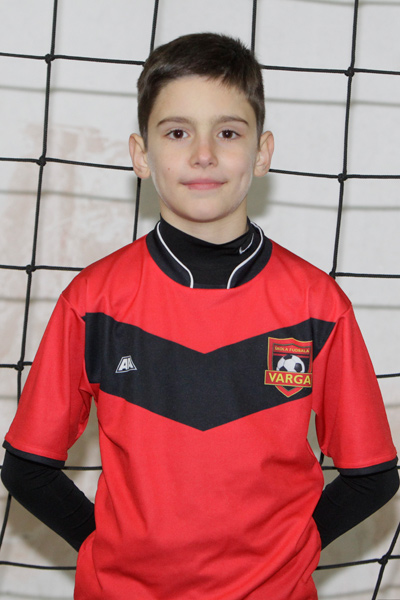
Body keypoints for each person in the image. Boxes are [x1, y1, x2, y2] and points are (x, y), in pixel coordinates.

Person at [2, 33, 398, 600]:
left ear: (262, 152)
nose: (204, 154)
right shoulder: (93, 301)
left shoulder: (317, 305)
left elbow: (372, 476)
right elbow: (26, 467)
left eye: (228, 133)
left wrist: (289, 554)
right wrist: (109, 549)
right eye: (177, 132)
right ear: (141, 155)